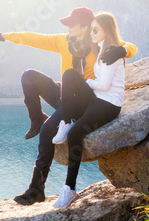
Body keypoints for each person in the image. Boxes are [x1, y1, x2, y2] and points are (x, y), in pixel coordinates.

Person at [0, 7, 137, 206]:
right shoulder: (63, 41)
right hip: (64, 93)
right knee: (29, 76)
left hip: (80, 101)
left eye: (72, 24)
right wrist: (1, 36)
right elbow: (32, 38)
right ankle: (37, 119)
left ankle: (37, 189)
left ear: (85, 28)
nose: (67, 27)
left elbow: (128, 46)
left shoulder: (97, 42)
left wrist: (122, 50)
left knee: (47, 131)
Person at [51, 11, 126, 208]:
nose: (91, 33)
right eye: (91, 29)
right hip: (97, 99)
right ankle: (65, 121)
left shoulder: (111, 52)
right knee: (69, 75)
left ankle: (70, 189)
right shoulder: (102, 49)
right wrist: (86, 84)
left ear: (105, 31)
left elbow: (104, 85)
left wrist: (88, 82)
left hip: (108, 105)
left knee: (76, 134)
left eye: (95, 30)